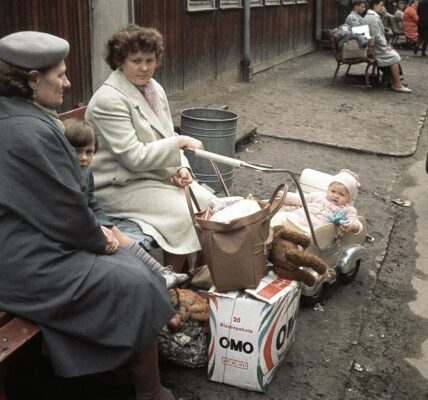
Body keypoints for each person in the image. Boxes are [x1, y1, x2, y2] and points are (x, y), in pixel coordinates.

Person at [0, 31, 179, 400]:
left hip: (28, 239)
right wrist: (100, 239)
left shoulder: (20, 114)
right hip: (22, 259)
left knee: (132, 268)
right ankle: (150, 391)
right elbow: (64, 209)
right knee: (133, 280)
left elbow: (62, 205)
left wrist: (99, 235)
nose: (67, 82)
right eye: (60, 75)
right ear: (33, 80)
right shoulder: (27, 130)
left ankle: (114, 369)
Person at [86, 25, 215, 273]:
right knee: (181, 214)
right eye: (136, 61)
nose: (144, 68)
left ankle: (202, 275)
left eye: (150, 60)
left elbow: (167, 134)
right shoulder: (108, 100)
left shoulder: (154, 88)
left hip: (150, 176)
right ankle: (172, 281)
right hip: (117, 186)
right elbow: (133, 157)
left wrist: (181, 168)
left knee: (207, 204)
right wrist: (178, 145)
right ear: (120, 62)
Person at [63, 117, 188, 288]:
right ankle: (157, 276)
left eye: (89, 152)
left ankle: (160, 271)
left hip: (88, 221)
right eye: (77, 152)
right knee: (114, 247)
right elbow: (72, 210)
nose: (83, 158)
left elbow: (91, 202)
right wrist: (98, 229)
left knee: (117, 234)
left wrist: (106, 224)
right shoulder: (63, 176)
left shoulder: (85, 172)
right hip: (73, 230)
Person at [271, 169, 363, 236]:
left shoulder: (347, 209)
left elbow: (356, 223)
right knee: (279, 217)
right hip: (296, 218)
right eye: (333, 191)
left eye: (341, 194)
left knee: (308, 239)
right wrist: (284, 196)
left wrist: (352, 226)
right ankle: (267, 239)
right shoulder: (319, 196)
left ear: (349, 198)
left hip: (313, 231)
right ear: (328, 189)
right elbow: (300, 199)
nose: (336, 196)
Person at [364, 0, 412, 92]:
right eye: (381, 5)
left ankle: (394, 81)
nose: (382, 7)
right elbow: (377, 35)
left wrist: (386, 45)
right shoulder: (373, 18)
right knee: (394, 56)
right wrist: (385, 46)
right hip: (374, 48)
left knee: (393, 53)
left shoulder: (370, 16)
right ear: (375, 5)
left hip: (373, 46)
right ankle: (397, 84)